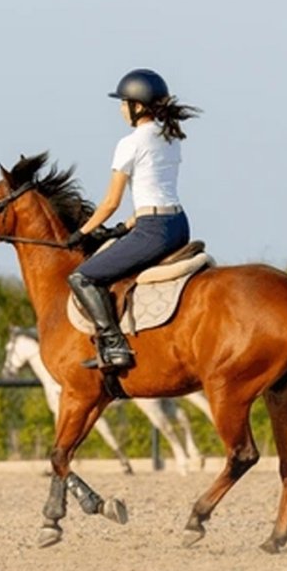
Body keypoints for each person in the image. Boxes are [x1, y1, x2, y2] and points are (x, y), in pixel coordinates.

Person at [66, 69, 200, 371]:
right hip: (176, 225)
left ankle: (115, 346)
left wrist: (82, 233)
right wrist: (124, 227)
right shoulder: (170, 138)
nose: (120, 108)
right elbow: (155, 191)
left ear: (137, 106)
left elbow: (110, 202)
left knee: (81, 277)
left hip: (154, 230)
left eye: (124, 102)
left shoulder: (130, 143)